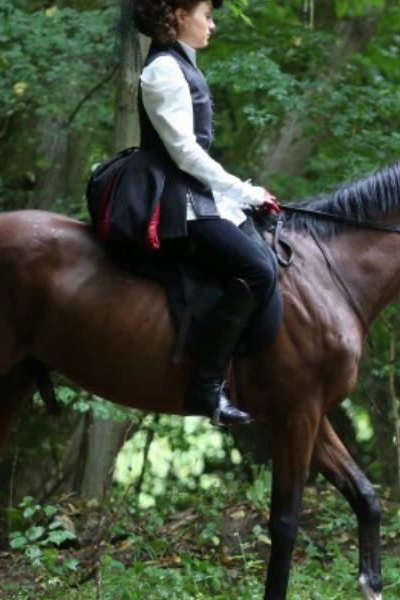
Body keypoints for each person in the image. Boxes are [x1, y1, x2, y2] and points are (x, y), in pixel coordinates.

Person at [133, 0, 279, 426]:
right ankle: (206, 387)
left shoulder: (184, 63)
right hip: (174, 202)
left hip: (194, 194)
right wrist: (244, 190)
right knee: (258, 269)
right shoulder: (162, 70)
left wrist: (243, 197)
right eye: (206, 15)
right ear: (179, 15)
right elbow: (184, 153)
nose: (211, 24)